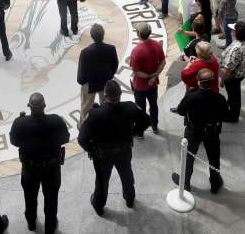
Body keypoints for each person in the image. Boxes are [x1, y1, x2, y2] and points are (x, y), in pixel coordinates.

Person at [78, 80, 151, 216]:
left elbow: (82, 139)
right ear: (121, 94)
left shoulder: (95, 114)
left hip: (102, 155)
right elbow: (147, 120)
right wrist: (133, 132)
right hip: (124, 150)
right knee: (126, 175)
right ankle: (129, 199)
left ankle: (99, 205)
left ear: (105, 96)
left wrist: (92, 151)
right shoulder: (130, 107)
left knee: (102, 180)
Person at [9, 93, 70, 233]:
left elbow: (14, 142)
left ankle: (31, 222)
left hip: (30, 169)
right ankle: (50, 224)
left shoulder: (20, 123)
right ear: (45, 105)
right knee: (51, 197)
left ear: (29, 107)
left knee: (30, 197)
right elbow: (65, 138)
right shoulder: (55, 121)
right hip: (51, 168)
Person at [171, 68, 228, 193]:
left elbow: (180, 111)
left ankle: (185, 182)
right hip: (211, 132)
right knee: (214, 158)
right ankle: (215, 183)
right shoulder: (219, 98)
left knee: (188, 157)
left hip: (193, 131)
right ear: (212, 83)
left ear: (199, 82)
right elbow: (226, 114)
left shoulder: (191, 97)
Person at [77, 23, 119, 128]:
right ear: (103, 35)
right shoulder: (111, 48)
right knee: (106, 106)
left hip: (90, 83)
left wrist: (82, 81)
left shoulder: (85, 52)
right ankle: (106, 127)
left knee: (86, 107)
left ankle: (83, 127)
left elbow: (82, 72)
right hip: (105, 82)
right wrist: (109, 76)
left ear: (91, 36)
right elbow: (115, 65)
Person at [129, 22, 166, 136]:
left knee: (140, 109)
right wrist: (155, 75)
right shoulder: (157, 45)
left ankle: (140, 132)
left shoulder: (136, 51)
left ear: (139, 34)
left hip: (140, 86)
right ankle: (154, 126)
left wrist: (149, 76)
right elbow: (163, 62)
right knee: (153, 105)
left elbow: (136, 72)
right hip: (153, 85)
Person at [219, 21, 245, 122]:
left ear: (237, 33)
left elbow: (228, 68)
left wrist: (222, 80)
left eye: (233, 29)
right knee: (234, 94)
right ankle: (232, 103)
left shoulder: (236, 49)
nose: (231, 31)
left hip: (234, 76)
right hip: (242, 72)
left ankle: (233, 116)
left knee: (234, 95)